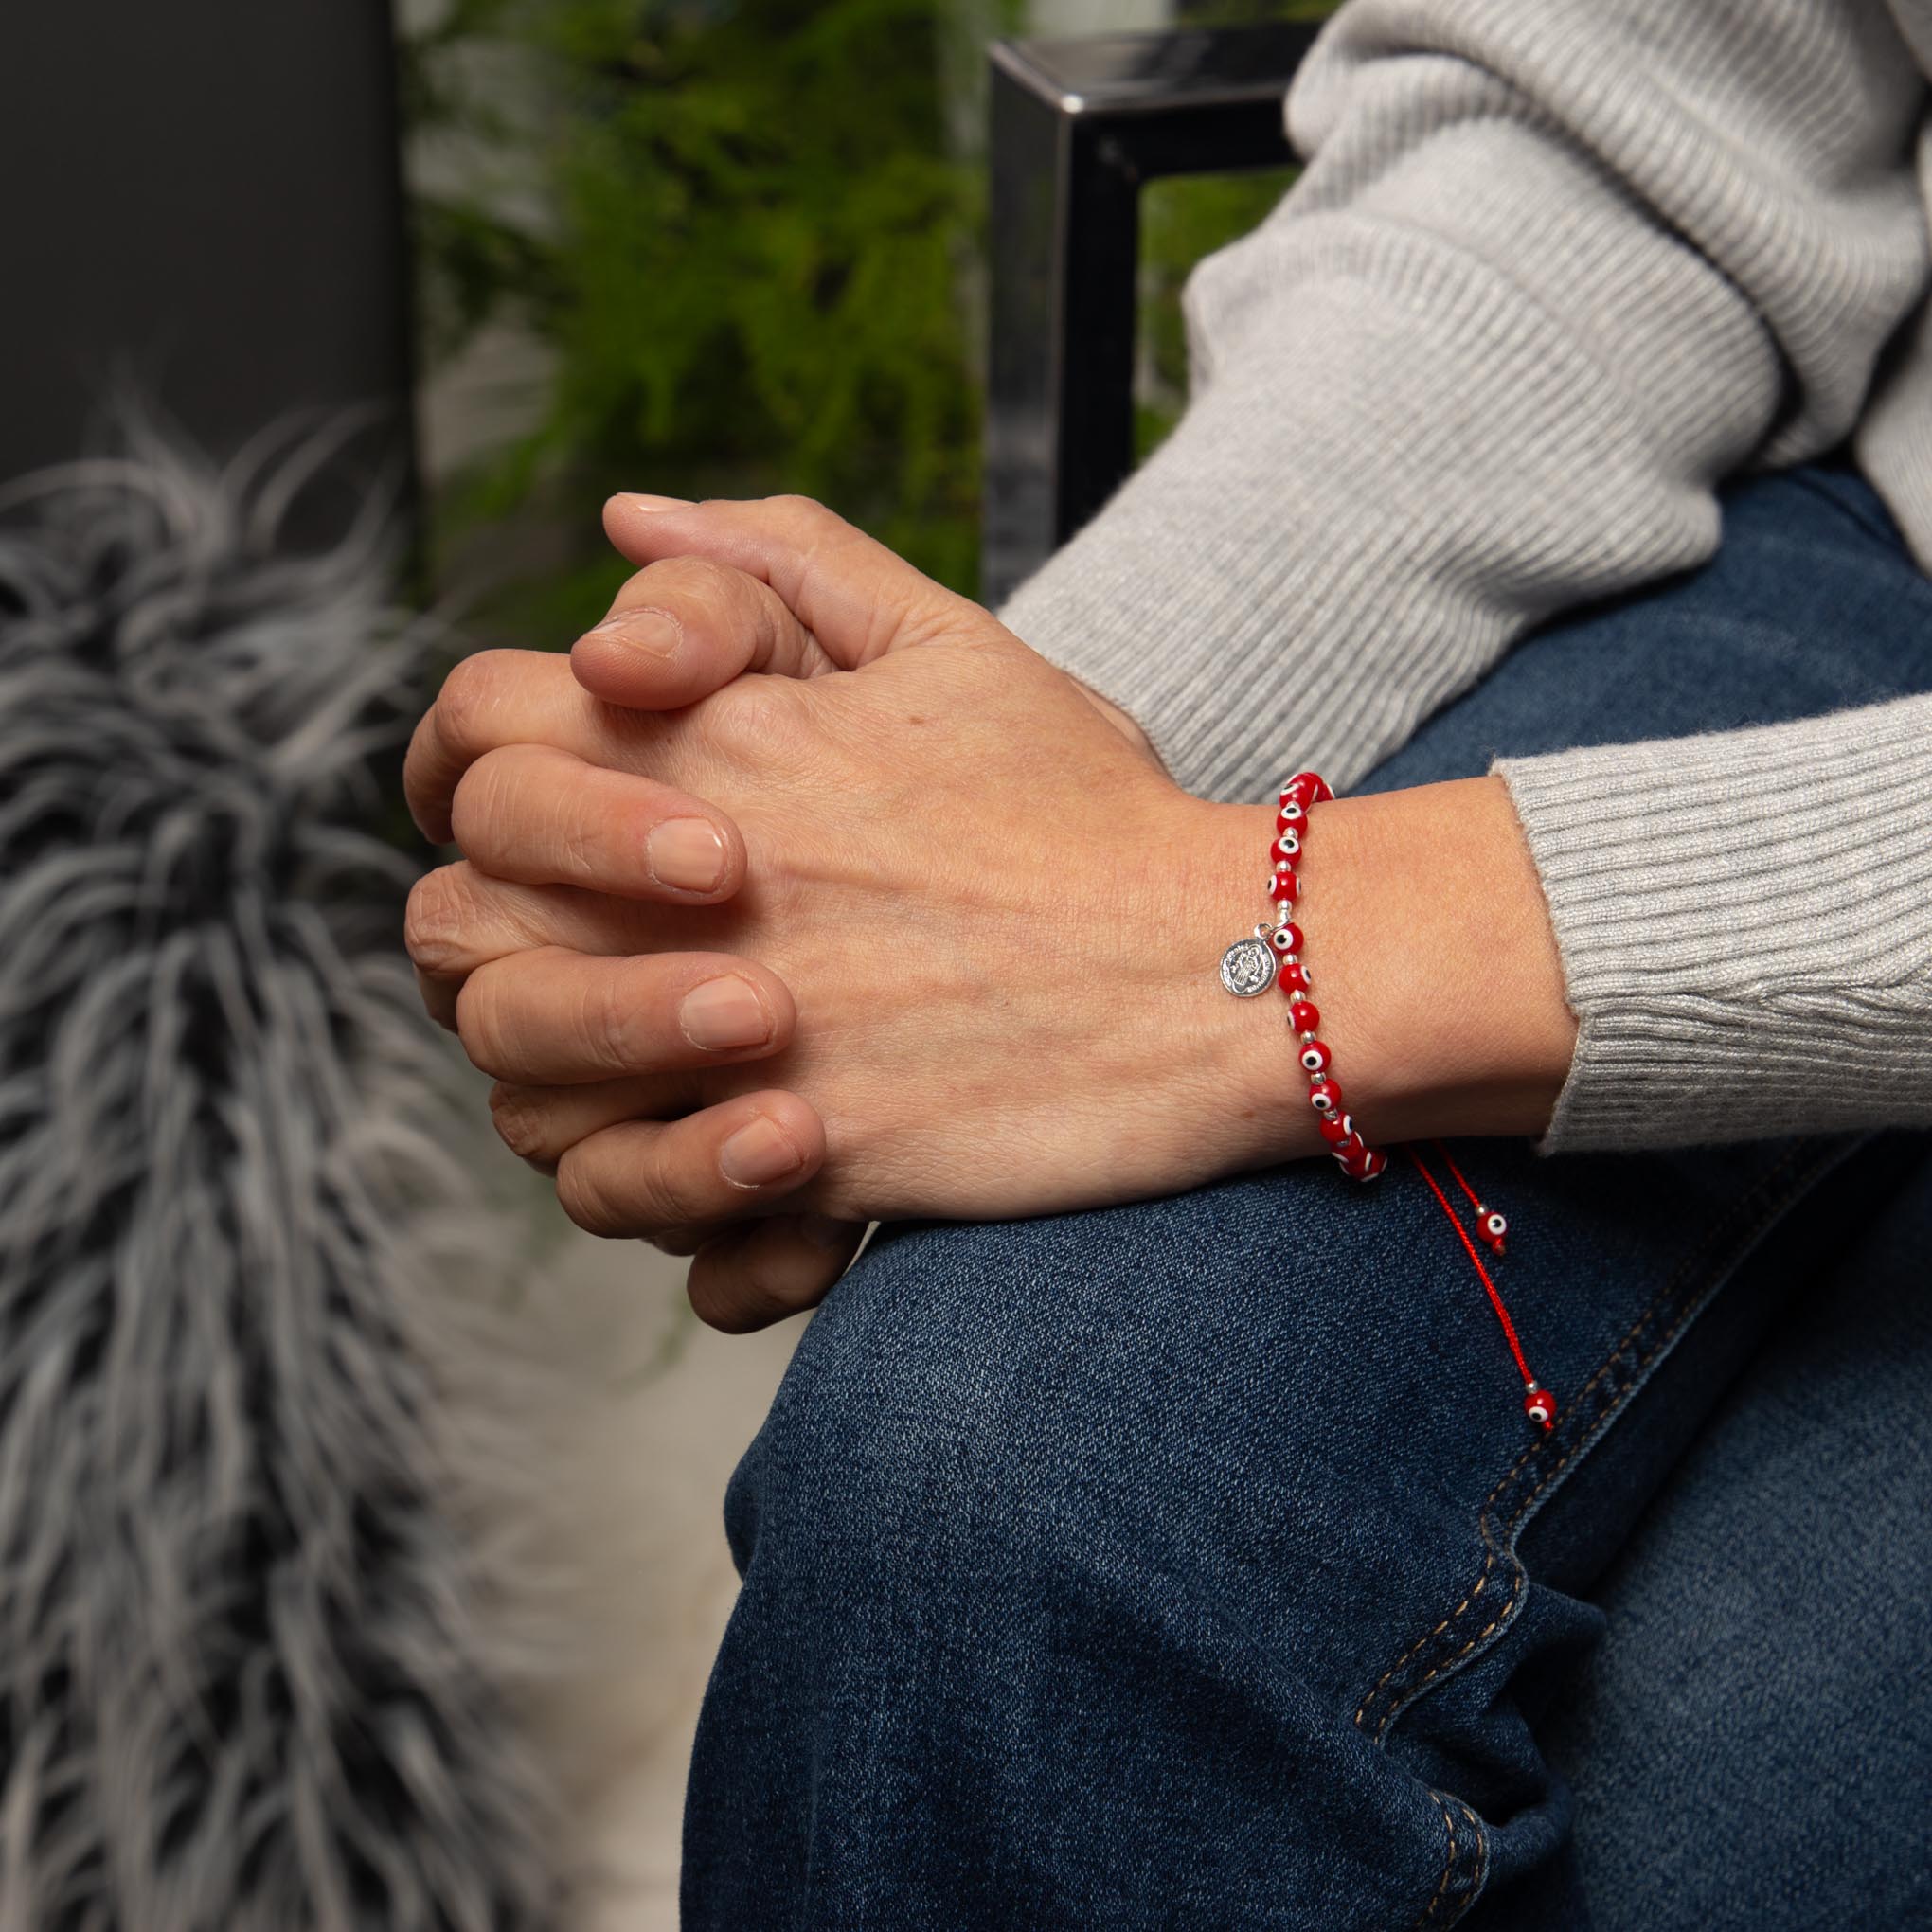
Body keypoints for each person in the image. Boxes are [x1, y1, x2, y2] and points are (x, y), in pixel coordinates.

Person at [402, 0, 1932, 1922]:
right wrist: (954, 817)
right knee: (985, 1519)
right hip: (1875, 542)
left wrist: (1277, 938)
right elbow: (1642, 124)